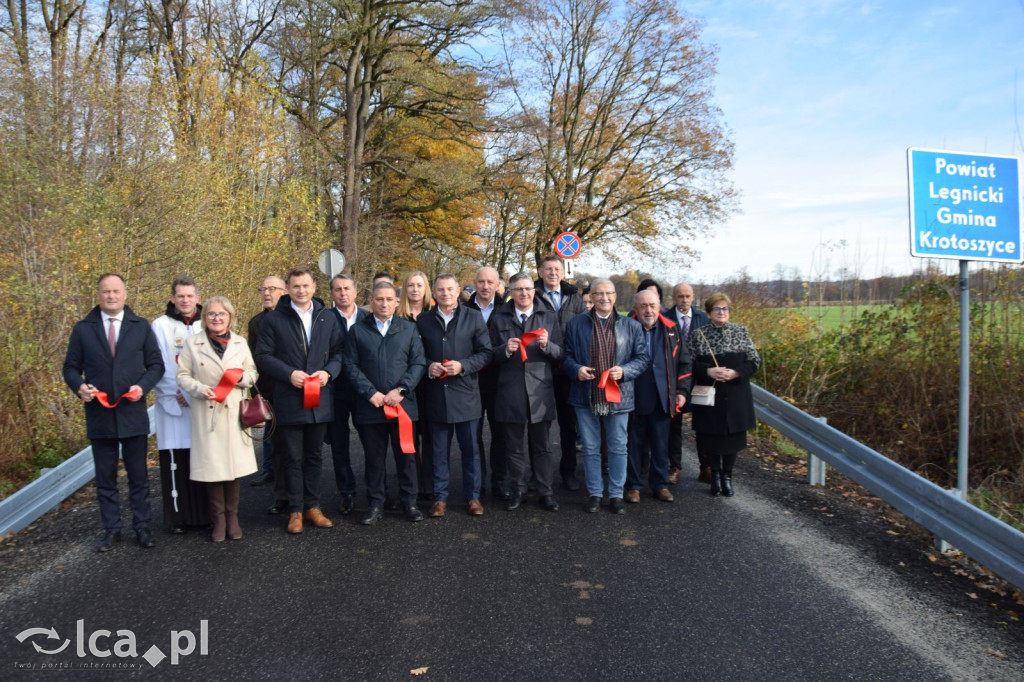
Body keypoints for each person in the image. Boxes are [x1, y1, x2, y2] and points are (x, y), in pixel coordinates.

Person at [63, 273, 164, 551]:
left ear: (124, 294)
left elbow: (156, 365)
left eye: (116, 291)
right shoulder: (83, 329)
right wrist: (79, 386)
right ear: (98, 295)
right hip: (100, 415)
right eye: (106, 291)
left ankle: (142, 526)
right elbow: (70, 367)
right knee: (105, 479)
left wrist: (143, 387)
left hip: (132, 413)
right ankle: (112, 529)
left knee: (138, 477)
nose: (111, 296)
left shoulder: (140, 326)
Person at [254, 266, 343, 534]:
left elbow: (339, 352)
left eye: (306, 286)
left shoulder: (327, 317)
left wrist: (329, 372)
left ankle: (312, 506)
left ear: (314, 287)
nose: (301, 290)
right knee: (292, 457)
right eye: (296, 286)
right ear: (288, 289)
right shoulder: (273, 320)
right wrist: (289, 374)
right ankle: (294, 510)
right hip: (289, 398)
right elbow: (263, 356)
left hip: (320, 399)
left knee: (314, 456)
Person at [562, 278, 649, 514]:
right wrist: (576, 369)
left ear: (615, 296)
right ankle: (595, 494)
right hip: (585, 393)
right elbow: (566, 356)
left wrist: (625, 371)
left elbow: (642, 358)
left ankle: (616, 494)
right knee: (590, 447)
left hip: (618, 395)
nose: (604, 298)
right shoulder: (575, 324)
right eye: (598, 293)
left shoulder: (632, 326)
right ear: (591, 297)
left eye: (608, 293)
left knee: (618, 446)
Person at [176, 296, 259, 541]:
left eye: (222, 314)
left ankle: (233, 519)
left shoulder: (240, 342)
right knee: (212, 470)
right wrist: (200, 389)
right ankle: (218, 521)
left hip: (233, 414)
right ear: (205, 318)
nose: (217, 318)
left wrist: (240, 378)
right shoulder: (193, 344)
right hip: (207, 412)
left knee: (233, 469)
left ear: (229, 317)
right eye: (211, 314)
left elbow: (253, 373)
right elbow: (182, 376)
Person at [344, 281, 427, 525]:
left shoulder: (408, 329)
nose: (384, 304)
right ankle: (375, 504)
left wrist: (402, 389)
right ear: (371, 301)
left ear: (396, 302)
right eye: (379, 299)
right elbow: (350, 365)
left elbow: (418, 363)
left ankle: (409, 502)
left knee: (406, 457)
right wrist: (370, 393)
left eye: (389, 299)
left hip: (402, 406)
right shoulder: (357, 331)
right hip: (371, 407)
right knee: (374, 459)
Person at [417, 274, 492, 517]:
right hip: (437, 396)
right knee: (439, 452)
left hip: (466, 395)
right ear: (434, 293)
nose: (446, 293)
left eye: (450, 289)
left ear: (458, 290)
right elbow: (416, 354)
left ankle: (473, 497)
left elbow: (486, 353)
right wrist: (428, 366)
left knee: (470, 450)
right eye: (441, 289)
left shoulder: (473, 317)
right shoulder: (423, 320)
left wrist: (463, 365)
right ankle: (440, 498)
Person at [489, 273, 563, 512]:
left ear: (534, 291)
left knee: (542, 447)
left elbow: (561, 353)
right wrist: (504, 350)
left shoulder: (548, 316)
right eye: (518, 289)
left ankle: (545, 492)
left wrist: (547, 346)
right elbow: (488, 354)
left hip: (540, 390)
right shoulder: (498, 319)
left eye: (528, 289)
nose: (524, 293)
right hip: (510, 390)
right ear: (510, 292)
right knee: (514, 447)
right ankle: (518, 490)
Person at [688, 293, 760, 497]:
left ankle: (727, 476)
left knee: (733, 439)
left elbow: (754, 361)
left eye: (725, 308)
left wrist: (736, 373)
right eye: (717, 309)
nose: (722, 312)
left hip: (736, 395)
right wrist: (708, 371)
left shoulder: (741, 331)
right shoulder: (698, 335)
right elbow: (687, 363)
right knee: (711, 439)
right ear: (708, 313)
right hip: (710, 397)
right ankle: (715, 476)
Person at [151, 275, 208, 534]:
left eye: (189, 296)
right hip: (173, 402)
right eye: (180, 296)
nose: (185, 300)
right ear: (172, 298)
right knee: (178, 461)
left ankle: (206, 515)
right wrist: (177, 393)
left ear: (197, 297)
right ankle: (179, 518)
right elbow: (159, 364)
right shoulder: (160, 325)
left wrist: (196, 392)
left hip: (201, 401)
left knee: (203, 459)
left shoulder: (208, 322)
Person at [625, 290, 691, 504]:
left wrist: (682, 392)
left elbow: (684, 362)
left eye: (652, 305)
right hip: (633, 397)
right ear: (635, 308)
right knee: (634, 445)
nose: (648, 310)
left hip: (663, 397)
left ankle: (660, 485)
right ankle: (633, 486)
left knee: (661, 445)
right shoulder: (625, 328)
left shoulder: (672, 329)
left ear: (659, 307)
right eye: (643, 306)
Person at [534, 254, 587, 491]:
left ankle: (568, 471)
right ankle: (538, 474)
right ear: (540, 272)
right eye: (548, 269)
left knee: (568, 424)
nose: (553, 273)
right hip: (539, 368)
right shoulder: (532, 294)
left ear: (563, 273)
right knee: (539, 425)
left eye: (557, 269)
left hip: (567, 370)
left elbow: (582, 330)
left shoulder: (574, 297)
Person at [463, 266, 509, 499]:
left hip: (500, 381)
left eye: (490, 282)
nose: (485, 286)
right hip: (470, 381)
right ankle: (477, 484)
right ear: (475, 283)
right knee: (473, 436)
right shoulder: (463, 310)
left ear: (498, 285)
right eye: (481, 281)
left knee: (500, 435)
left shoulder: (506, 309)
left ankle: (500, 482)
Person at [326, 274, 370, 515]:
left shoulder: (368, 317)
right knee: (339, 444)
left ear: (355, 291)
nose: (342, 293)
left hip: (364, 391)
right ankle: (347, 492)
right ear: (332, 294)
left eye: (346, 288)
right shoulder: (324, 319)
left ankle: (376, 490)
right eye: (337, 289)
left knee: (371, 443)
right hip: (336, 391)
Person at [666, 282, 710, 483]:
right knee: (673, 425)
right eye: (680, 296)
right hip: (674, 378)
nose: (684, 300)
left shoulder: (703, 319)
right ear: (674, 298)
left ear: (693, 297)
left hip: (700, 378)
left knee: (703, 424)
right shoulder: (665, 318)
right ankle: (674, 466)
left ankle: (706, 466)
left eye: (687, 296)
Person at [396, 270, 433, 500]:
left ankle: (429, 484)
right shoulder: (397, 317)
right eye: (411, 285)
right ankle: (412, 484)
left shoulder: (433, 314)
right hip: (406, 384)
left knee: (430, 435)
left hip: (430, 383)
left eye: (419, 285)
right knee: (408, 437)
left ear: (426, 288)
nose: (415, 289)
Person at [248, 276, 286, 491]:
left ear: (284, 291)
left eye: (272, 288)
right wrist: (256, 393)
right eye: (263, 289)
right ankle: (269, 469)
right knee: (270, 431)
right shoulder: (256, 323)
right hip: (267, 387)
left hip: (291, 385)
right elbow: (252, 360)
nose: (266, 293)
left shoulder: (292, 318)